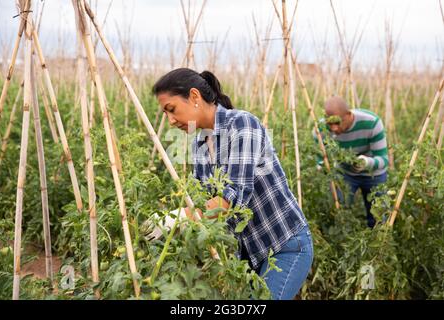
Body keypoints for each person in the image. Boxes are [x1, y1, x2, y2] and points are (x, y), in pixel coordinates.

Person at [151, 67, 313, 300]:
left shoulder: (243, 125)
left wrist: (176, 219)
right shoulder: (199, 144)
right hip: (247, 256)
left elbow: (232, 199)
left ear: (194, 97)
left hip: (284, 245)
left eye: (172, 110)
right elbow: (202, 201)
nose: (171, 121)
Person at [314, 96, 389, 228]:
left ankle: (379, 241)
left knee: (378, 218)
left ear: (348, 115)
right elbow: (320, 157)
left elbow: (383, 159)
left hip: (374, 174)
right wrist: (323, 167)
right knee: (340, 212)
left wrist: (365, 162)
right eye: (330, 123)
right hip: (345, 174)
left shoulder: (372, 123)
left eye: (338, 122)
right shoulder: (321, 129)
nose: (334, 128)